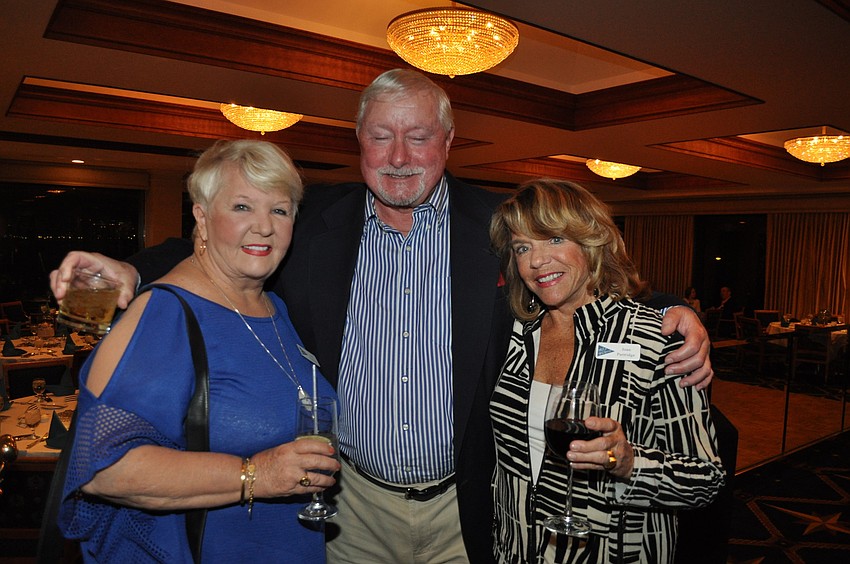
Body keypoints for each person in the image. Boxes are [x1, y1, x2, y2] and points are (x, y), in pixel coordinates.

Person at [51, 70, 714, 563]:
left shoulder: (496, 228)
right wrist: (133, 272)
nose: (399, 157)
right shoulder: (313, 225)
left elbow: (570, 270)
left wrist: (669, 311)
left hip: (468, 509)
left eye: (418, 137)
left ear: (448, 142)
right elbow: (229, 237)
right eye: (381, 136)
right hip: (349, 511)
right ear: (358, 141)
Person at [57, 140, 340, 562]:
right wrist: (255, 474)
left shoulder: (274, 306)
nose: (264, 226)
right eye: (242, 207)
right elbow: (104, 469)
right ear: (202, 218)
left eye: (279, 210)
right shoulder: (165, 313)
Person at [488, 179, 724, 563]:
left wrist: (628, 461)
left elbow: (705, 479)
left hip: (613, 553)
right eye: (523, 247)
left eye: (554, 240)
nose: (536, 261)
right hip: (515, 551)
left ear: (591, 243)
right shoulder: (511, 335)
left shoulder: (656, 339)